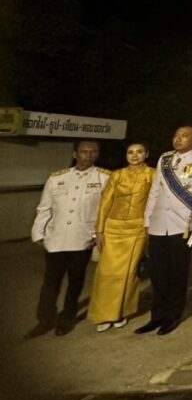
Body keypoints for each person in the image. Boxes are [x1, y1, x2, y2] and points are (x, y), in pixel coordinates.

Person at [136, 126, 192, 336]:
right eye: (176, 135)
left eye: (184, 136)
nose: (178, 139)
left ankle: (173, 316)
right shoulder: (164, 158)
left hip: (183, 225)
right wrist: (147, 218)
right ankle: (157, 316)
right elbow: (155, 190)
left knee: (178, 273)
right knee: (158, 273)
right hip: (158, 223)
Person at [26, 139, 109, 338]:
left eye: (93, 152)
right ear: (75, 154)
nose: (88, 155)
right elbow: (44, 208)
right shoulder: (57, 178)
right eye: (84, 151)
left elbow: (106, 210)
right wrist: (38, 233)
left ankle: (67, 318)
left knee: (76, 281)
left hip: (82, 239)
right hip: (56, 238)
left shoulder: (105, 178)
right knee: (50, 282)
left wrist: (97, 234)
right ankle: (45, 319)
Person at [88, 141, 153, 332]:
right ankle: (103, 316)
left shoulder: (153, 174)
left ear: (146, 154)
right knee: (106, 274)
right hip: (113, 228)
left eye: (139, 152)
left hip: (137, 229)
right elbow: (105, 202)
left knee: (128, 274)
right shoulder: (116, 175)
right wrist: (99, 230)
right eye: (130, 152)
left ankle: (120, 313)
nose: (134, 155)